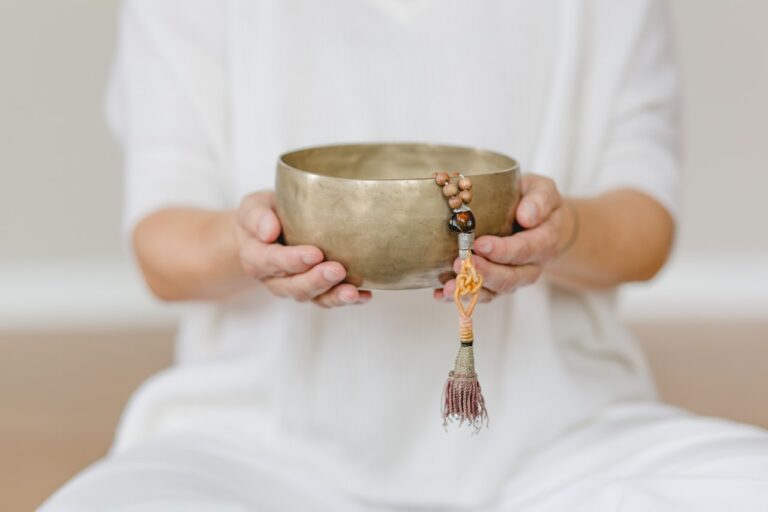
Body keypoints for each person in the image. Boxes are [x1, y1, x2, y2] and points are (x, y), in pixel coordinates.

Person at [41, 1, 768, 510]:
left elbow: (645, 232)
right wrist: (246, 247)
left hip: (561, 449)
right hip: (252, 450)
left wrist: (563, 231)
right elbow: (160, 251)